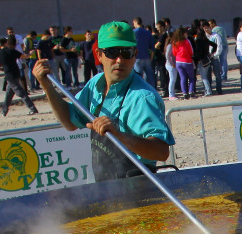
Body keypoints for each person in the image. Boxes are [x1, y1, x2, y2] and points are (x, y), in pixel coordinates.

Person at [34, 20, 175, 181]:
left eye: (126, 52)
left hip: (138, 188)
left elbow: (161, 151)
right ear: (99, 55)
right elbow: (69, 121)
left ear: (135, 54)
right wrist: (48, 88)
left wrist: (119, 136)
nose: (120, 60)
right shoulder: (95, 85)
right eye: (112, 52)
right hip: (105, 187)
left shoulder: (143, 98)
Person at [0, 38, 39, 116]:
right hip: (16, 73)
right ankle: (4, 110)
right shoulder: (12, 51)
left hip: (8, 75)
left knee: (19, 93)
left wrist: (2, 69)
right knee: (10, 93)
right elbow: (25, 56)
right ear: (5, 43)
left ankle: (32, 109)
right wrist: (31, 53)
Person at [132, 19, 156, 88]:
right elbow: (152, 47)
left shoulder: (133, 33)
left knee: (139, 76)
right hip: (147, 57)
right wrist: (151, 57)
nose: (133, 25)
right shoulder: (148, 32)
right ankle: (152, 90)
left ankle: (140, 89)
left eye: (134, 23)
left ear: (136, 22)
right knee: (150, 76)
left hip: (137, 57)